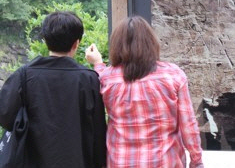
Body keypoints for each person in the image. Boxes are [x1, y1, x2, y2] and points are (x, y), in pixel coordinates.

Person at [85, 15, 204, 168]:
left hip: (120, 162)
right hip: (166, 161)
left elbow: (101, 78)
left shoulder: (107, 78)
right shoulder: (173, 74)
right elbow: (188, 124)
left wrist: (98, 63)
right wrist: (196, 161)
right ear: (151, 43)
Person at [0, 11, 107, 167]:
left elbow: (5, 116)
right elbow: (98, 132)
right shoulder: (88, 78)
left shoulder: (24, 75)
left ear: (45, 40)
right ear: (76, 43)